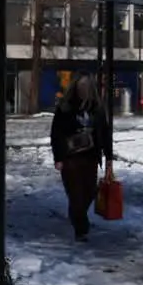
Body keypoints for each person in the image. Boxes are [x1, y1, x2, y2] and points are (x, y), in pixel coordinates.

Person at [49, 74, 111, 242]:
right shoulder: (65, 108)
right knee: (76, 194)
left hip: (90, 156)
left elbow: (104, 133)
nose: (83, 91)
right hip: (71, 157)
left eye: (86, 88)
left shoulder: (96, 109)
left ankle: (76, 215)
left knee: (90, 191)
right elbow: (56, 133)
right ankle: (81, 229)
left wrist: (109, 157)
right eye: (80, 88)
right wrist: (58, 157)